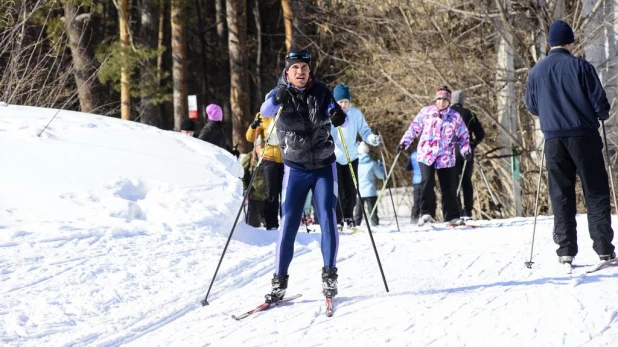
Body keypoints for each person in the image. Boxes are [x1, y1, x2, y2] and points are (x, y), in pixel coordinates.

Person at [259, 49, 347, 303]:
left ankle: (330, 276)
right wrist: (278, 98)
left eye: (304, 69)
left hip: (323, 166)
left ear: (310, 72)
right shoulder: (278, 92)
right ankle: (279, 282)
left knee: (328, 218)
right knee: (287, 223)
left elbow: (343, 120)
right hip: (295, 168)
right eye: (295, 68)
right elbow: (265, 111)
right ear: (287, 72)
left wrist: (339, 117)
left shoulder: (322, 91)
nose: (300, 72)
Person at [524, 20, 615, 265]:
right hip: (583, 136)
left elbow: (532, 106)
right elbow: (600, 104)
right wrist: (601, 113)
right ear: (570, 42)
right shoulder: (581, 66)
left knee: (561, 193)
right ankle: (604, 248)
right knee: (594, 190)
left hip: (553, 140)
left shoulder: (536, 71)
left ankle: (565, 250)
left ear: (550, 44)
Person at [397, 86, 471, 227]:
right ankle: (426, 213)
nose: (441, 102)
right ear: (435, 100)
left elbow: (463, 136)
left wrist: (466, 150)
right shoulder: (426, 112)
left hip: (446, 155)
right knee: (427, 181)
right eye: (439, 99)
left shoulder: (455, 116)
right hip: (427, 153)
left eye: (444, 99)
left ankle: (452, 216)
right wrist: (404, 143)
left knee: (448, 186)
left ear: (449, 101)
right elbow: (414, 128)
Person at [331, 84, 380, 230]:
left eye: (346, 101)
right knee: (338, 189)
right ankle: (338, 219)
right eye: (340, 102)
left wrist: (372, 138)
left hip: (352, 156)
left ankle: (349, 216)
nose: (344, 105)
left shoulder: (355, 113)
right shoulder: (330, 112)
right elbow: (325, 133)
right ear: (335, 101)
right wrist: (332, 149)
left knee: (352, 189)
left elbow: (364, 130)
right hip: (335, 156)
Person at [246, 112, 284, 230]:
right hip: (268, 159)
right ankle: (271, 224)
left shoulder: (286, 113)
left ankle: (287, 223)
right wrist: (253, 126)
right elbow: (250, 137)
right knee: (271, 193)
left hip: (285, 159)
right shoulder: (262, 116)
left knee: (286, 193)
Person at [450, 90, 485, 220]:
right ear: (462, 100)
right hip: (466, 150)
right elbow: (480, 134)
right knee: (466, 181)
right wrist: (473, 144)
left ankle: (456, 210)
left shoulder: (447, 114)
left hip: (450, 150)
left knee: (453, 181)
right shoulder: (470, 113)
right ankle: (467, 210)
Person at [353, 142, 385, 226]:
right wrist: (381, 166)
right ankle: (375, 225)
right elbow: (381, 176)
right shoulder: (372, 164)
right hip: (371, 192)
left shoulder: (356, 164)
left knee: (358, 213)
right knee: (373, 212)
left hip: (359, 192)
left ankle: (356, 226)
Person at [241, 137, 266, 228]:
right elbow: (242, 175)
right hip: (253, 196)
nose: (261, 149)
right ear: (255, 147)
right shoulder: (249, 158)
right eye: (260, 146)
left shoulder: (269, 158)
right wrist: (245, 188)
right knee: (254, 226)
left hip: (266, 197)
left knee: (269, 228)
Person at [405, 149, 424, 223]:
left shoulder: (413, 155)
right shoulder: (427, 152)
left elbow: (407, 167)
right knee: (426, 200)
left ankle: (414, 218)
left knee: (416, 201)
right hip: (425, 180)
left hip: (416, 181)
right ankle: (425, 217)